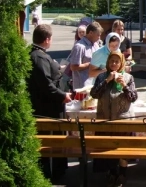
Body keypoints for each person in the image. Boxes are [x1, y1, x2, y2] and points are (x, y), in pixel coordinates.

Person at [26, 24, 72, 182]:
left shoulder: (40, 54)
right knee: (49, 143)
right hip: (47, 108)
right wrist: (62, 96)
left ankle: (58, 172)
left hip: (50, 106)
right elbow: (45, 84)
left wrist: (57, 68)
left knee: (55, 140)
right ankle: (51, 176)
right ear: (47, 39)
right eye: (51, 39)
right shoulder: (38, 56)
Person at [90, 51, 137, 187]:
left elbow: (133, 97)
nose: (114, 64)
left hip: (123, 120)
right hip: (105, 119)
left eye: (117, 61)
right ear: (108, 63)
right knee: (108, 149)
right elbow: (94, 94)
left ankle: (122, 174)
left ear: (121, 63)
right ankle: (112, 173)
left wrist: (124, 86)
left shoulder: (128, 77)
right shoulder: (102, 76)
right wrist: (107, 80)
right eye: (112, 61)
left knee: (122, 149)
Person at [70, 22, 103, 90]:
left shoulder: (95, 45)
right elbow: (73, 67)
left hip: (94, 83)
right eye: (98, 35)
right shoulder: (79, 47)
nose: (99, 38)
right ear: (90, 33)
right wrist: (90, 64)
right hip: (83, 86)